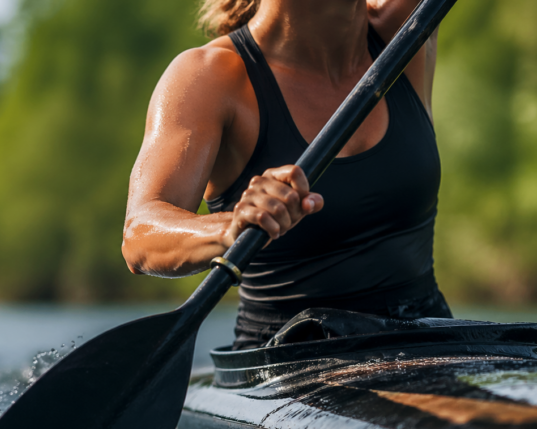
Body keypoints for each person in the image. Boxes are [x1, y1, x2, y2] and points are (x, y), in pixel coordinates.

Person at [122, 0, 453, 350]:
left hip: (434, 344)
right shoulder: (208, 76)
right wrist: (232, 226)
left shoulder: (407, 25)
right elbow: (140, 234)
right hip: (290, 360)